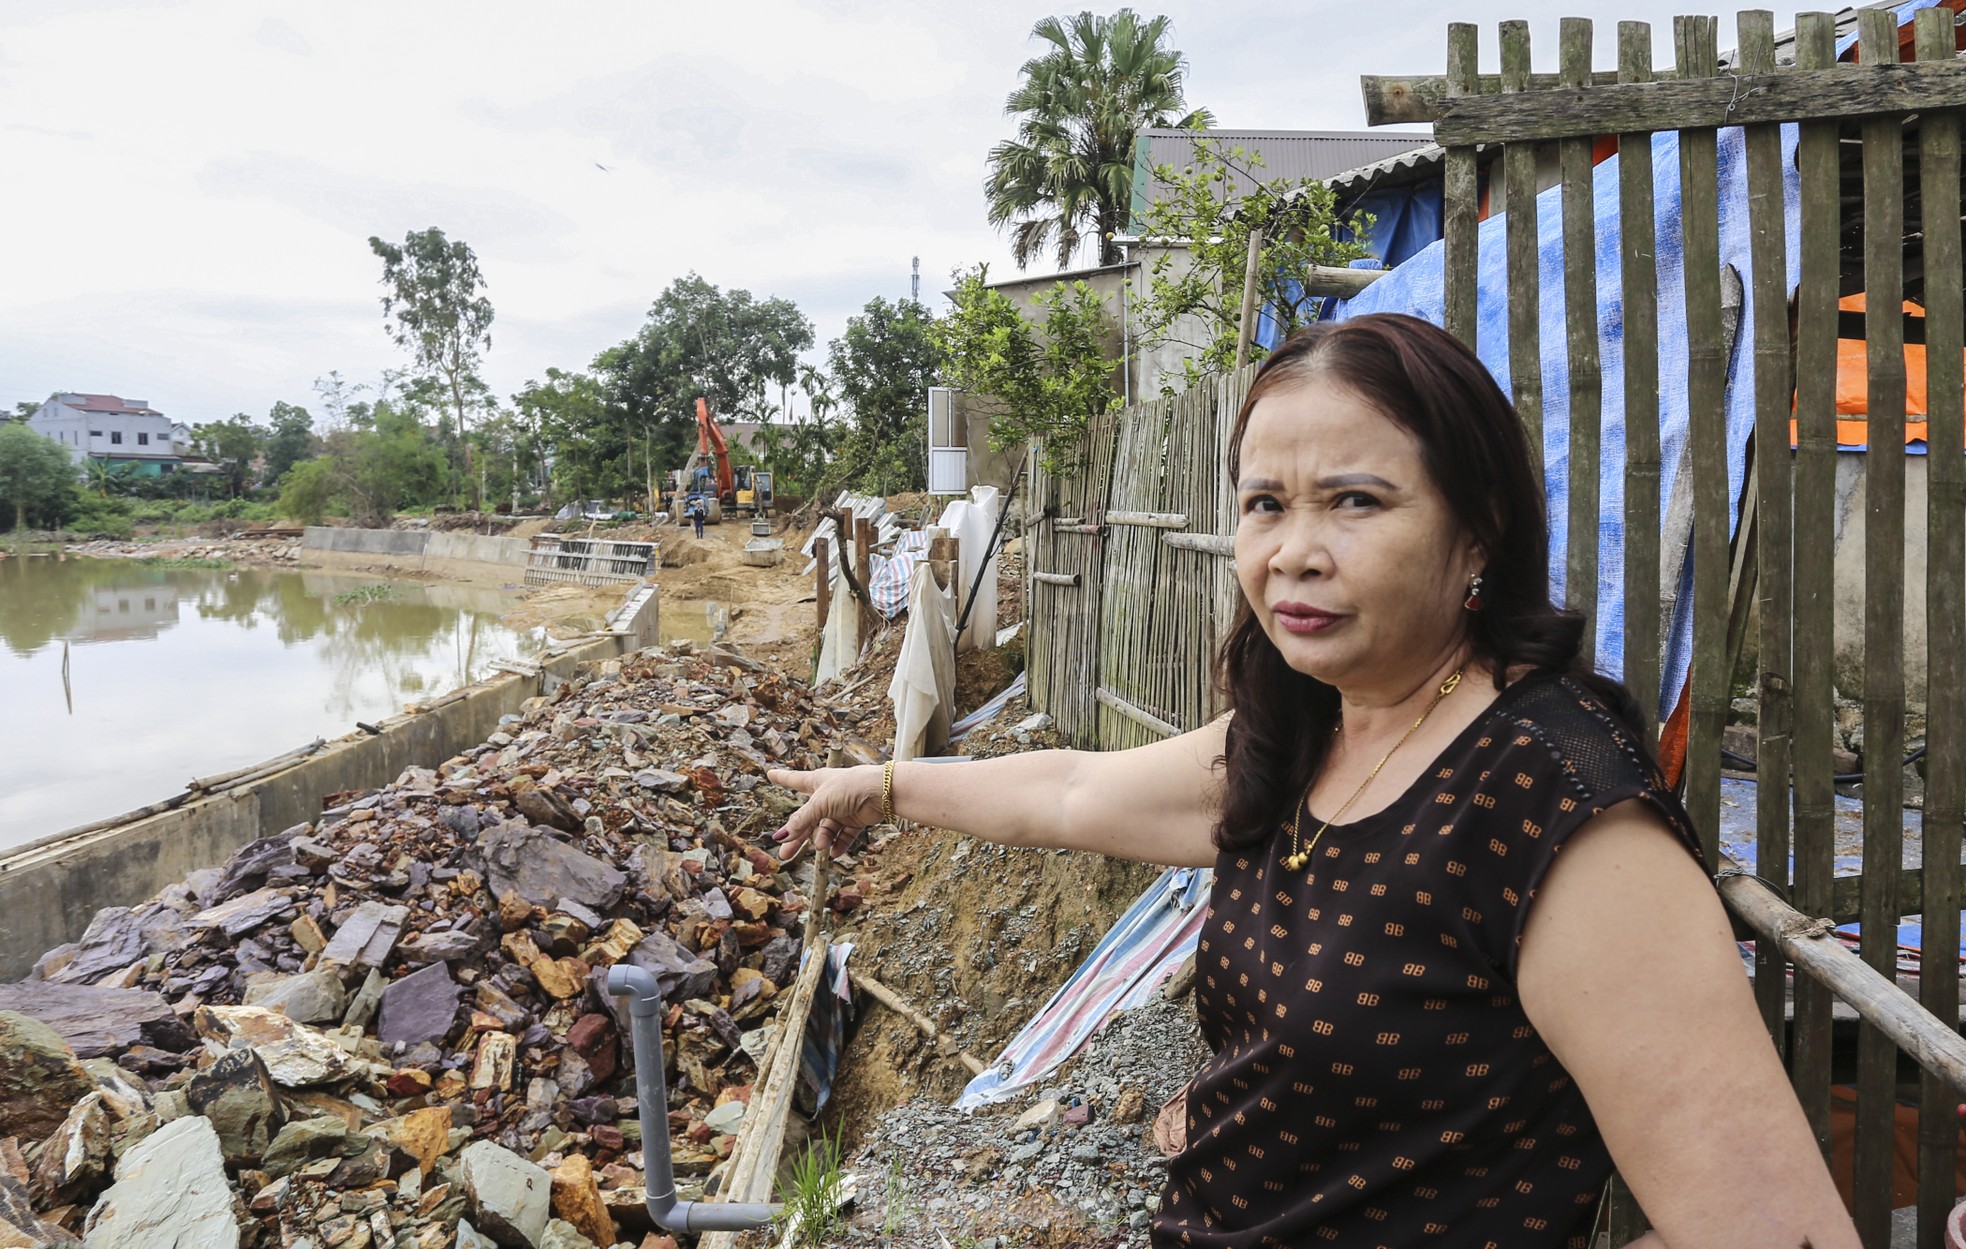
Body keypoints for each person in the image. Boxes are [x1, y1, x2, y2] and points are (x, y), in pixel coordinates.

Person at [767, 313, 1857, 1249]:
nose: (1292, 550)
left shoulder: (1557, 810)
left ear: (1476, 531)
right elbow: (1071, 795)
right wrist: (887, 784)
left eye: (1354, 502)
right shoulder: (1317, 730)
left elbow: (1767, 1226)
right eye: (1264, 505)